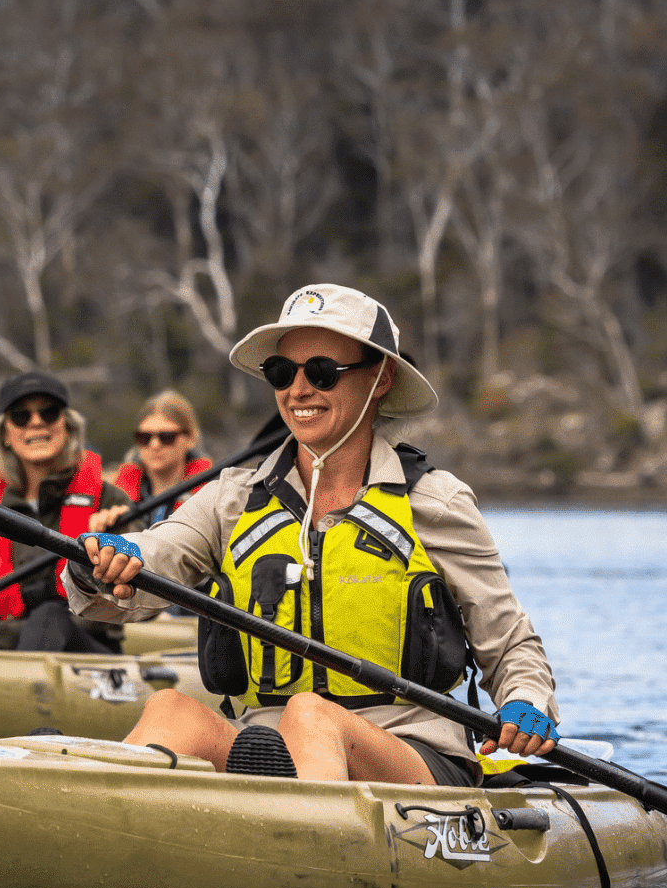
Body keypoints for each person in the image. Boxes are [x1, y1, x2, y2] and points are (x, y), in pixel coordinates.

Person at [63, 283, 559, 784]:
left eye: (321, 372)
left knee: (312, 715)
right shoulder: (231, 498)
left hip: (411, 754)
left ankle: (296, 843)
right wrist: (99, 563)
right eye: (282, 373)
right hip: (266, 743)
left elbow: (511, 643)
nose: (298, 390)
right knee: (170, 709)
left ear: (380, 378)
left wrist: (525, 701)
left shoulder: (434, 503)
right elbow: (151, 557)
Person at [0, 371, 140, 652]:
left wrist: (114, 539)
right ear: (5, 434)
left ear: (67, 427)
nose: (36, 423)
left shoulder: (110, 500)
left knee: (48, 618)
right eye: (20, 416)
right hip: (2, 642)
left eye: (49, 413)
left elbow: (134, 596)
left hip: (86, 648)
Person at [91, 389, 212, 533]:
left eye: (166, 437)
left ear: (191, 438)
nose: (154, 445)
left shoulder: (213, 493)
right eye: (145, 437)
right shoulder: (110, 494)